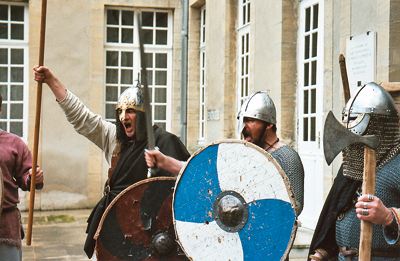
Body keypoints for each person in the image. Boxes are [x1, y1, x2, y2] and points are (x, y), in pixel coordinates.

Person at [33, 66, 191, 259]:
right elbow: (81, 117)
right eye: (121, 112)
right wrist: (51, 80)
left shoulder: (164, 142)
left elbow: (188, 187)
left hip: (156, 239)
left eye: (131, 111)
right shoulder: (115, 139)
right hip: (118, 229)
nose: (124, 117)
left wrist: (164, 163)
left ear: (143, 114)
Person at [146, 91, 305, 215]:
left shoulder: (287, 158)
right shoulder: (245, 154)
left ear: (269, 125)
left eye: (250, 120)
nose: (244, 128)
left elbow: (294, 207)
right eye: (243, 121)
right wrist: (165, 162)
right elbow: (205, 173)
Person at [308, 82, 400, 261]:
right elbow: (335, 213)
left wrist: (390, 217)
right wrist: (324, 251)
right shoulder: (352, 164)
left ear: (382, 126)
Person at [0, 92, 44, 261]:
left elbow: (26, 177)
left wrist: (34, 177)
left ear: (0, 110)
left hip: (5, 224)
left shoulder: (14, 143)